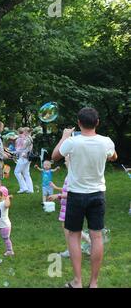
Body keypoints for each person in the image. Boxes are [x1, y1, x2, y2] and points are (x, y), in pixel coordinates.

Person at [52, 107, 117, 288]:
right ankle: (94, 283)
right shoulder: (106, 142)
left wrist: (65, 136)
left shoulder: (73, 142)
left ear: (79, 123)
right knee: (96, 237)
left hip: (76, 195)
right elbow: (113, 157)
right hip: (97, 195)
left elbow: (54, 156)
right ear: (97, 123)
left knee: (74, 236)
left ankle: (77, 282)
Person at [48, 158, 91, 258]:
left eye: (66, 161)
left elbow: (73, 193)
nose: (64, 162)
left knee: (70, 229)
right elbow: (66, 190)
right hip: (66, 205)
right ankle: (83, 244)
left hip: (71, 205)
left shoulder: (74, 176)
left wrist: (58, 196)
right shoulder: (70, 175)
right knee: (69, 228)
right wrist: (57, 189)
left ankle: (74, 248)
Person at [0, 186, 14, 256]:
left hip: (4, 226)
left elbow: (7, 205)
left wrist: (7, 198)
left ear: (3, 195)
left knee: (6, 238)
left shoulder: (4, 203)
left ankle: (10, 250)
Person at [14, 127, 34, 194]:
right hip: (27, 158)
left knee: (17, 172)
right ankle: (30, 189)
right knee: (26, 173)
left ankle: (24, 188)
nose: (22, 133)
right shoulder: (30, 138)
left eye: (23, 131)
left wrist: (14, 152)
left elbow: (21, 149)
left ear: (26, 132)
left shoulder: (26, 139)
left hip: (23, 158)